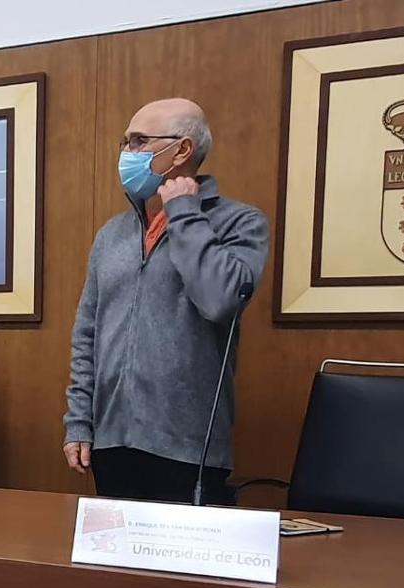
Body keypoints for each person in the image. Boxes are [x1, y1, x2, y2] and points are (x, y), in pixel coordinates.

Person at [62, 99, 268, 504]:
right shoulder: (112, 235)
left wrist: (185, 213)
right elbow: (87, 335)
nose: (127, 152)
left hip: (188, 449)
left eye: (139, 141)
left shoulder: (240, 223)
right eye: (125, 142)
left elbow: (220, 300)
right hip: (111, 442)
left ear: (182, 150)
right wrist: (79, 421)